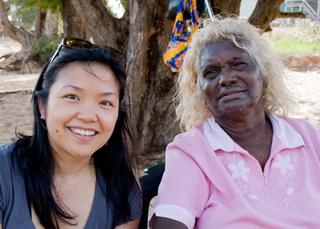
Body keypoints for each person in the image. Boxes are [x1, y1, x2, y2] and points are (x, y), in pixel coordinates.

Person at [150, 17, 320, 229]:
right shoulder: (192, 151)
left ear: (264, 75)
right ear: (200, 90)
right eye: (211, 72)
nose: (226, 78)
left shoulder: (308, 138)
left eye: (239, 64)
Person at [0, 38, 142, 229]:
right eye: (72, 97)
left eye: (105, 102)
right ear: (42, 105)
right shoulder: (4, 171)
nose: (88, 116)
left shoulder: (124, 188)